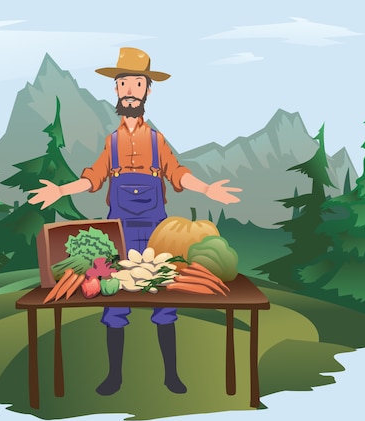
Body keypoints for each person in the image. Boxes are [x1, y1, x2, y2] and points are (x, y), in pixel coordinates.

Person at [28, 47, 242, 396]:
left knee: (165, 301)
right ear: (116, 89)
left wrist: (206, 188)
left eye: (137, 83)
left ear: (147, 91)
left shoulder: (157, 142)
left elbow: (177, 174)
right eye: (124, 82)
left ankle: (171, 375)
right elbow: (93, 179)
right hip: (120, 233)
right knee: (114, 301)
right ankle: (114, 377)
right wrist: (61, 190)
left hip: (159, 233)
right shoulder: (110, 143)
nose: (130, 90)